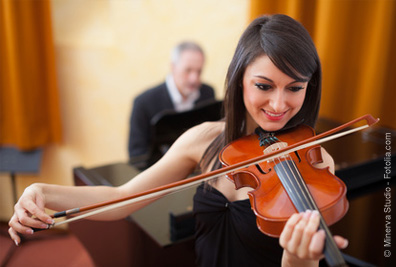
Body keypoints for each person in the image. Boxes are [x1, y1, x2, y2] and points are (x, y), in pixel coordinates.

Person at [8, 14, 348, 267]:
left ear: (309, 88)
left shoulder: (316, 162)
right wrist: (43, 191)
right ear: (239, 80)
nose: (278, 104)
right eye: (263, 86)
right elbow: (122, 197)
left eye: (294, 88)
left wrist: (297, 260)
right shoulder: (202, 140)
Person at [128, 41, 215, 161]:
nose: (194, 79)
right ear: (173, 67)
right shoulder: (143, 103)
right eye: (188, 70)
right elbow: (137, 155)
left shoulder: (208, 93)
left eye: (199, 71)